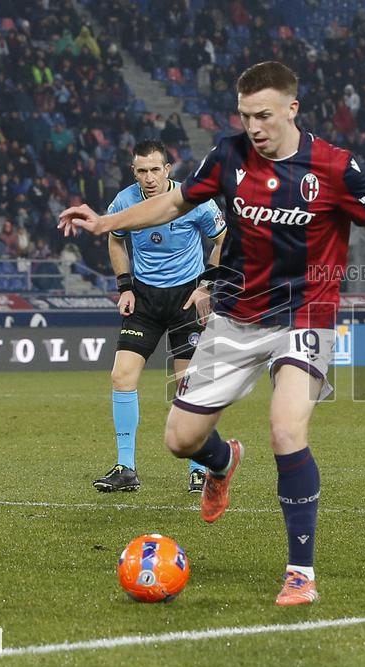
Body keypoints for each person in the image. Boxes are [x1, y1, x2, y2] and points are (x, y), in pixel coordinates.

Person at [60, 61, 365, 605]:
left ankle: (300, 571)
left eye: (263, 115)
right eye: (245, 115)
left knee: (286, 429)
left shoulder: (335, 166)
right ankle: (223, 461)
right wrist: (105, 223)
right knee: (179, 440)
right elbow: (173, 201)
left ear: (291, 109)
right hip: (236, 316)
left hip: (305, 316)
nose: (254, 126)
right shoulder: (228, 156)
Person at [92, 139, 226, 495]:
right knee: (121, 376)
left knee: (188, 386)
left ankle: (199, 467)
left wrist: (206, 287)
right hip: (146, 300)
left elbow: (224, 238)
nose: (148, 178)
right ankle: (126, 467)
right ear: (133, 172)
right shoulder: (124, 201)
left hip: (187, 298)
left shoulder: (192, 199)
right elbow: (115, 239)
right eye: (141, 171)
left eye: (155, 169)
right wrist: (125, 287)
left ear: (167, 169)